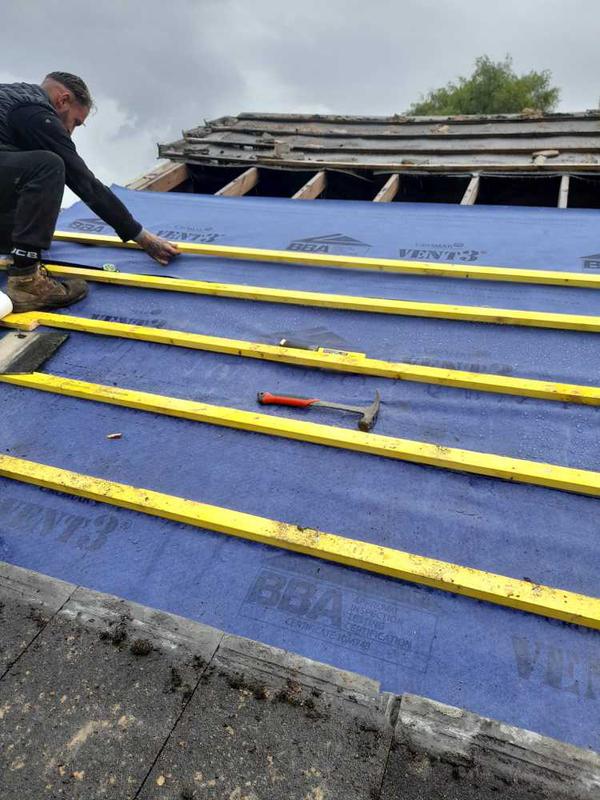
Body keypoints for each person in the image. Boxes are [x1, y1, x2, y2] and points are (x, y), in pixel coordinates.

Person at [0, 72, 179, 312]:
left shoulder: (13, 101)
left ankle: (13, 249)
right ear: (63, 100)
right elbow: (84, 183)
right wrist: (141, 236)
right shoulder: (36, 115)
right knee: (49, 165)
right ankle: (26, 283)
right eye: (75, 122)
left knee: (23, 177)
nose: (70, 132)